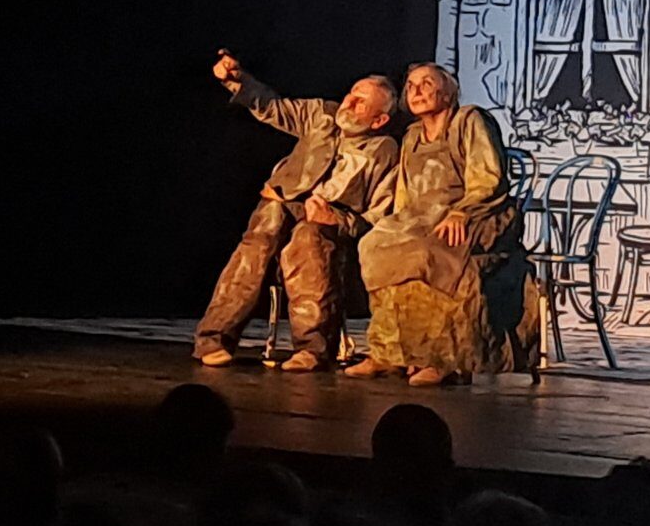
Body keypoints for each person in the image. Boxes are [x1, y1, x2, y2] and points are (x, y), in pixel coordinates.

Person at [194, 52, 398, 371]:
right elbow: (274, 107)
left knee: (308, 242)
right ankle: (214, 338)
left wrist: (338, 219)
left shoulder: (385, 151)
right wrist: (238, 80)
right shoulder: (322, 115)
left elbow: (380, 213)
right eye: (351, 94)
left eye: (360, 102)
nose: (348, 102)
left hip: (329, 220)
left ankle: (312, 349)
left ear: (379, 120)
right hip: (284, 200)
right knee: (262, 236)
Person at [345, 63, 537, 386]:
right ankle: (390, 352)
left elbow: (488, 179)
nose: (416, 91)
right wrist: (395, 224)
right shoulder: (412, 136)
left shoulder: (469, 121)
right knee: (376, 245)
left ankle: (441, 358)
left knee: (430, 251)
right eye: (411, 86)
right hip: (424, 219)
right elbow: (405, 193)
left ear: (448, 92)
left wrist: (462, 212)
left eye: (426, 83)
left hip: (478, 214)